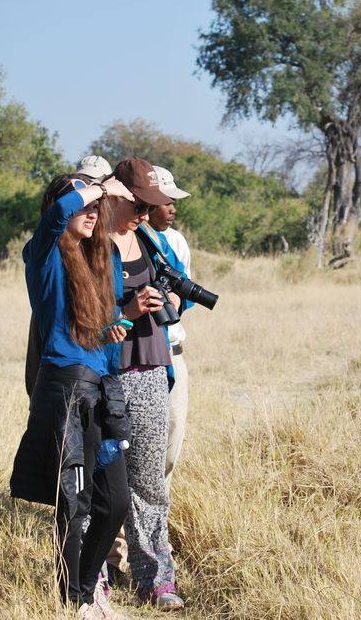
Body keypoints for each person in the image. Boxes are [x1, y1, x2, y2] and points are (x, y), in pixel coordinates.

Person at [10, 173, 135, 619]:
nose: (90, 211)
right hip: (64, 391)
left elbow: (90, 336)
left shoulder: (98, 260)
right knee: (75, 502)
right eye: (81, 204)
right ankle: (77, 602)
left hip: (102, 389)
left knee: (115, 500)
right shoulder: (42, 255)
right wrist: (102, 187)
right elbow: (61, 212)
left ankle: (84, 592)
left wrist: (117, 324)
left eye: (94, 207)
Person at [109, 158, 187, 610]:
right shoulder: (93, 242)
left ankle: (157, 581)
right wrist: (129, 309)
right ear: (116, 194)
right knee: (103, 485)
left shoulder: (147, 238)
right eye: (138, 203)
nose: (144, 212)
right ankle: (92, 577)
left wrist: (173, 299)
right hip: (107, 373)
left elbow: (177, 287)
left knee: (149, 482)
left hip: (152, 369)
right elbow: (79, 313)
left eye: (150, 205)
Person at [148, 165, 193, 492]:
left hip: (173, 350)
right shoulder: (126, 242)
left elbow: (184, 298)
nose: (173, 208)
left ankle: (157, 526)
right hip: (142, 356)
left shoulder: (176, 242)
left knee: (171, 443)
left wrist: (177, 301)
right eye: (166, 201)